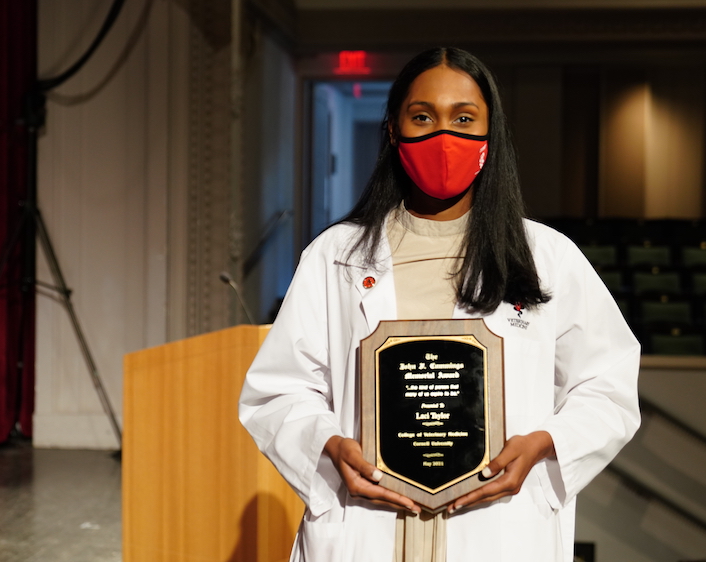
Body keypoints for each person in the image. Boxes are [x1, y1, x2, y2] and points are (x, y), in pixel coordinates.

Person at [239, 47, 640, 562]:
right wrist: (328, 447)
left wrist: (546, 442)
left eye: (464, 119)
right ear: (393, 130)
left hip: (495, 530)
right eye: (422, 116)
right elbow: (279, 390)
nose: (443, 136)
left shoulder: (546, 257)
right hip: (371, 528)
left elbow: (607, 386)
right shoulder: (336, 257)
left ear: (490, 137)